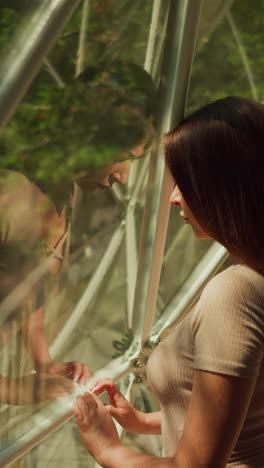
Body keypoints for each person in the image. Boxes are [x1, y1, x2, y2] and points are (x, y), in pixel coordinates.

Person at [73, 96, 264, 467]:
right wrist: (142, 423)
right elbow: (246, 413)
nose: (175, 198)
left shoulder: (237, 293)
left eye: (187, 183)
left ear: (225, 188)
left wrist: (106, 448)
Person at [0, 61, 156, 405]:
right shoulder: (8, 197)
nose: (124, 177)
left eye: (135, 160)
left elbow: (25, 289)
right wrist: (13, 390)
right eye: (119, 157)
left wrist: (43, 364)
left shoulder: (61, 192)